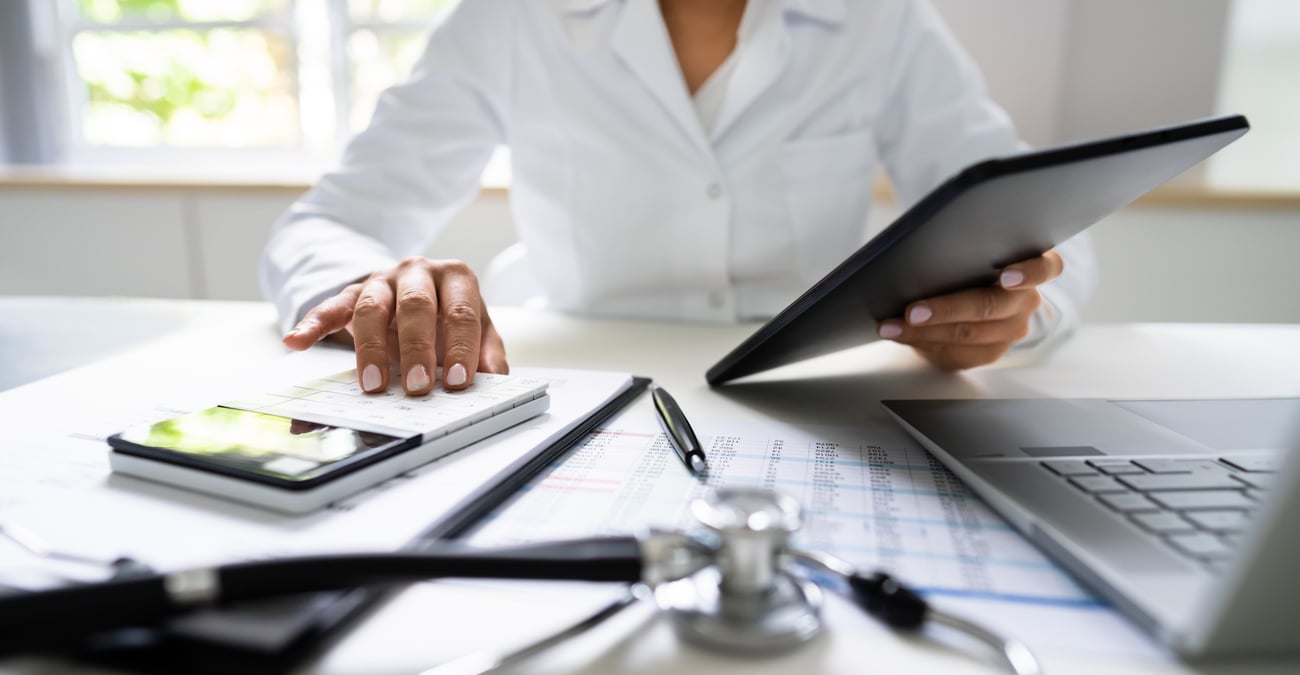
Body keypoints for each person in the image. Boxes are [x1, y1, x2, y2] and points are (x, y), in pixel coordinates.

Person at [262, 0, 1097, 395]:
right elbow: (332, 224)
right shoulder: (511, 18)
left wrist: (1017, 308)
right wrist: (374, 288)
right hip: (573, 391)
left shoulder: (883, 21)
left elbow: (1033, 216)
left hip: (812, 397)